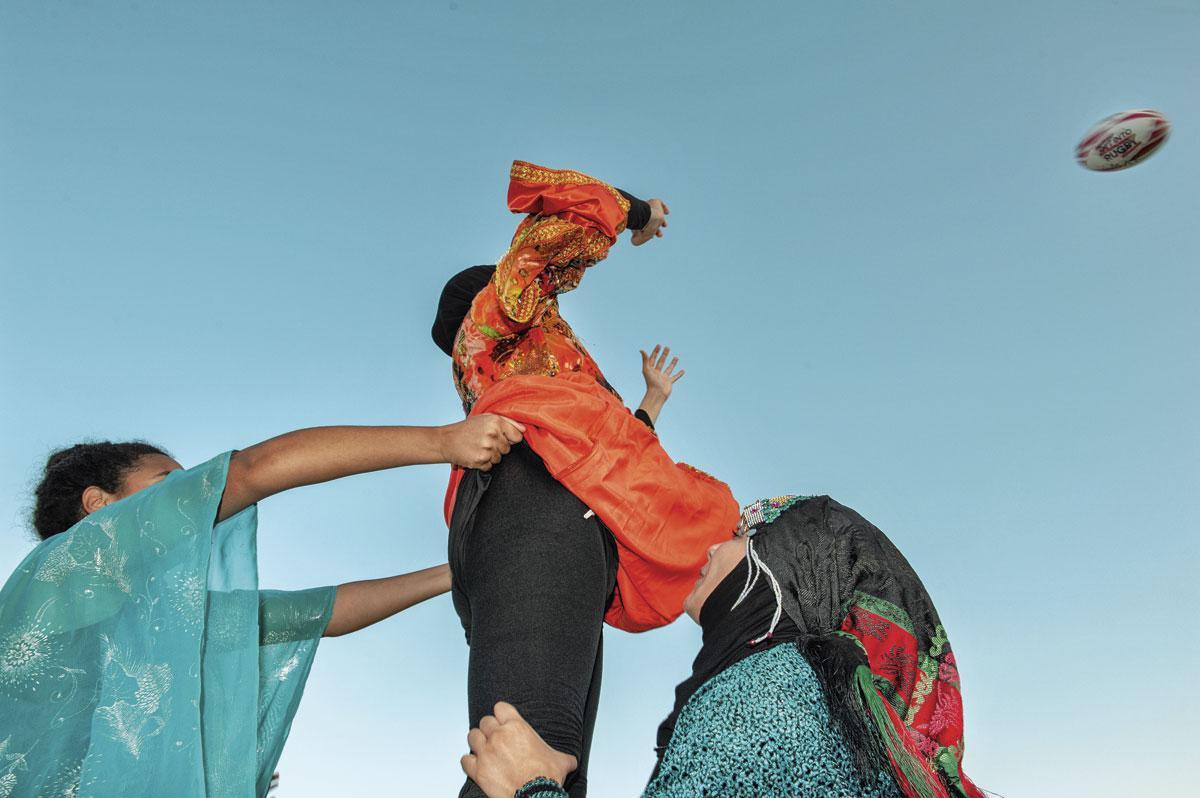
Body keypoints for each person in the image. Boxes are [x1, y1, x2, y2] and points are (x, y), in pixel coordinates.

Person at [0, 416, 521, 798]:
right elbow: (254, 470)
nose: (195, 501)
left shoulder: (159, 623)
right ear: (100, 505)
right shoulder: (64, 568)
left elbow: (328, 614)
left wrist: (456, 571)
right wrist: (444, 441)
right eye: (169, 484)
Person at [431, 160, 739, 798]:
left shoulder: (537, 377)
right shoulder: (499, 314)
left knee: (553, 767)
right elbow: (551, 237)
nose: (555, 310)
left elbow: (605, 456)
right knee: (527, 752)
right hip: (534, 505)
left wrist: (650, 404)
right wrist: (633, 211)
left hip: (550, 515)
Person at [461, 495, 988, 798]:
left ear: (788, 565)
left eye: (743, 533)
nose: (714, 544)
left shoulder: (771, 692)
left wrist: (530, 788)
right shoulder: (819, 706)